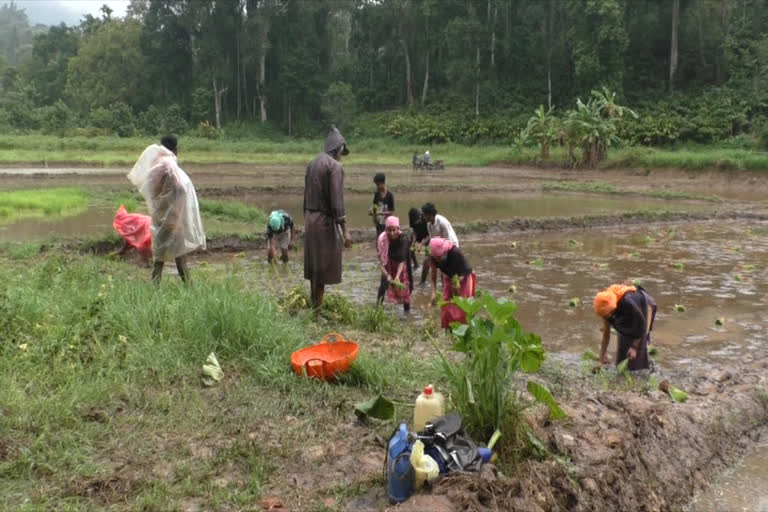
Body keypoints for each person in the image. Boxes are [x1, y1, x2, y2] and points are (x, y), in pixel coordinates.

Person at [127, 134, 206, 285]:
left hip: (159, 216)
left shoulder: (156, 162)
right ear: (176, 149)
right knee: (180, 256)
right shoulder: (169, 164)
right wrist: (177, 208)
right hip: (172, 218)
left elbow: (152, 189)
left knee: (159, 256)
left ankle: (155, 289)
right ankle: (190, 288)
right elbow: (181, 188)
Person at [304, 126, 352, 309]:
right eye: (342, 152)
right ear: (339, 149)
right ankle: (317, 311)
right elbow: (337, 201)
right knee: (323, 268)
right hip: (324, 222)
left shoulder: (312, 163)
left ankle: (313, 307)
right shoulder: (335, 167)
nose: (341, 156)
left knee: (314, 267)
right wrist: (345, 230)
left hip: (310, 219)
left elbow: (305, 196)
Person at [593, 284, 657, 371]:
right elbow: (606, 335)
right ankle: (622, 371)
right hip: (626, 312)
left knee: (638, 353)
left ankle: (643, 373)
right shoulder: (605, 307)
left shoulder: (627, 302)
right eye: (605, 316)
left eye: (608, 314)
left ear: (613, 309)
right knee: (623, 350)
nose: (607, 317)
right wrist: (601, 360)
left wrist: (634, 347)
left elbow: (642, 324)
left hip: (644, 305)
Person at [429, 237, 476, 329]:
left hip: (464, 276)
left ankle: (464, 331)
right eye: (437, 258)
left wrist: (457, 284)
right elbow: (433, 274)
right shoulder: (432, 257)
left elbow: (464, 270)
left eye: (440, 257)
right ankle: (449, 330)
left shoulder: (455, 253)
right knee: (446, 304)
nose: (438, 260)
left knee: (462, 306)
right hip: (449, 276)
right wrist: (433, 292)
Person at [377, 216, 412, 313]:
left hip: (402, 264)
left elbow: (402, 260)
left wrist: (397, 276)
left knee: (405, 287)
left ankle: (407, 312)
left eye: (394, 230)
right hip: (388, 263)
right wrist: (387, 275)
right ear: (385, 229)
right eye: (389, 230)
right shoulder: (382, 240)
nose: (392, 233)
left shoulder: (403, 239)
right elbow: (381, 263)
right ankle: (378, 310)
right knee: (384, 284)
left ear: (398, 229)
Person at [408, 207, 430, 284]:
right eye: (414, 221)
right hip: (419, 233)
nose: (416, 222)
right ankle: (416, 264)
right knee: (410, 246)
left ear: (420, 217)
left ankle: (427, 266)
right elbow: (414, 230)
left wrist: (422, 243)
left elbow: (431, 234)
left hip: (428, 234)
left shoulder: (425, 218)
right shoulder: (412, 219)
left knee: (428, 254)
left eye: (417, 221)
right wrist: (414, 241)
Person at [370, 172, 394, 237]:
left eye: (378, 184)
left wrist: (380, 213)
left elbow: (391, 212)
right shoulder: (377, 194)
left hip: (387, 223)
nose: (377, 186)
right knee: (379, 239)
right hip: (379, 223)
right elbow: (374, 206)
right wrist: (371, 211)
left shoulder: (390, 195)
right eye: (376, 185)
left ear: (382, 183)